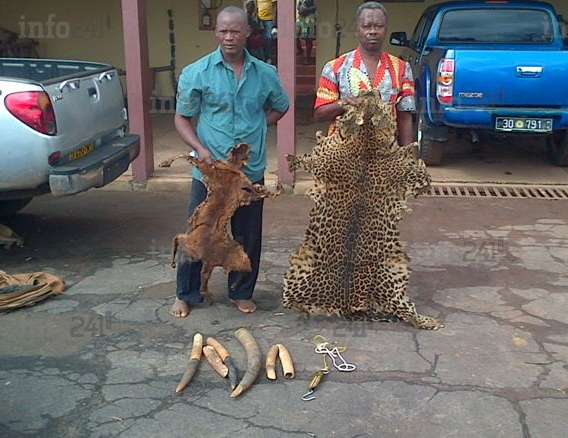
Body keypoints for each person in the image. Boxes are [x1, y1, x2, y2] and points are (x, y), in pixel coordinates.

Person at [170, 6, 289, 318]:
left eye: (235, 31)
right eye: (223, 31)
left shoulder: (266, 74)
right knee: (199, 232)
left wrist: (261, 125)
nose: (228, 37)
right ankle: (186, 293)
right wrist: (199, 148)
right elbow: (182, 118)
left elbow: (281, 106)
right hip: (210, 174)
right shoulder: (196, 72)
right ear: (216, 33)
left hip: (249, 173)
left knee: (248, 234)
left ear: (248, 32)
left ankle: (241, 292)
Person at [314, 2, 415, 146]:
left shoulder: (402, 68)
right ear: (356, 30)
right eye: (366, 26)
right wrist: (343, 104)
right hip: (343, 155)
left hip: (385, 154)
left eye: (378, 26)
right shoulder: (335, 67)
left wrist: (407, 158)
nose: (373, 31)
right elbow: (319, 114)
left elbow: (405, 117)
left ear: (386, 30)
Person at [296, 0, 316, 65]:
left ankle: (307, 58)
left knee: (309, 38)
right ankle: (300, 49)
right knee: (295, 35)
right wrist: (300, 9)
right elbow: (298, 6)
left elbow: (316, 6)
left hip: (310, 18)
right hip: (301, 18)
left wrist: (306, 9)